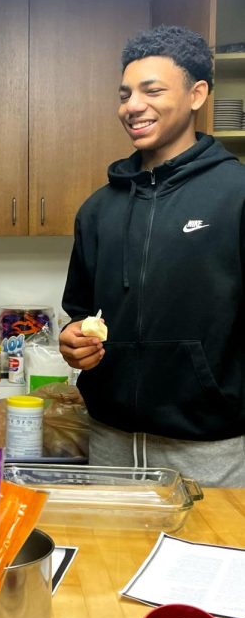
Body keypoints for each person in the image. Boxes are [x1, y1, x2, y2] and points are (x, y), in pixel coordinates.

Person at [59, 25, 245, 485]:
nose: (132, 106)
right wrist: (72, 341)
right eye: (125, 94)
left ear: (197, 94)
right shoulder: (98, 209)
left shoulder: (236, 196)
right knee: (111, 560)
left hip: (211, 451)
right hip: (109, 441)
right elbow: (79, 314)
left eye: (152, 90)